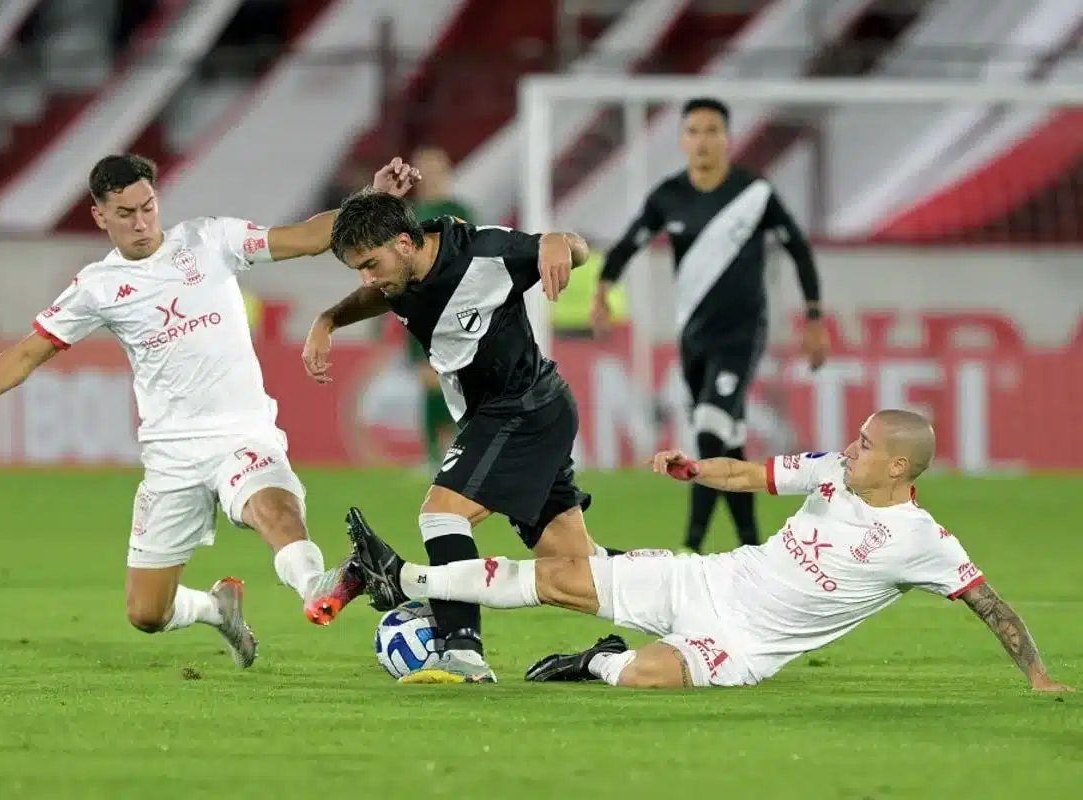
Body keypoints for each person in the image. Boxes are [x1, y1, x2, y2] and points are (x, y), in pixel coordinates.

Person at [0, 153, 421, 668]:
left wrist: (371, 201)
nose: (142, 222)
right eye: (126, 214)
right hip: (171, 454)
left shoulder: (210, 239)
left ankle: (319, 586)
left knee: (274, 510)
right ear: (100, 216)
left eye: (148, 207)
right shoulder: (98, 288)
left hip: (241, 431)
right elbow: (28, 353)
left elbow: (307, 236)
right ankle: (217, 609)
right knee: (147, 612)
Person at [345, 409, 1074, 693]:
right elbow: (752, 475)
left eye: (866, 446)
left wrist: (1037, 675)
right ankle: (398, 574)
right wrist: (695, 469)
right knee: (561, 576)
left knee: (642, 678)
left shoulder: (924, 543)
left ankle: (592, 660)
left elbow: (991, 605)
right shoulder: (827, 473)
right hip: (706, 579)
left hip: (746, 645)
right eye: (856, 439)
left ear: (898, 470)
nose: (850, 450)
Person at [302, 191, 624, 684]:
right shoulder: (398, 276)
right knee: (572, 564)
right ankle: (689, 594)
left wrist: (562, 241)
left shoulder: (487, 253)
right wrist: (329, 320)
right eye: (358, 270)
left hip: (524, 408)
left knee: (441, 513)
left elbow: (567, 250)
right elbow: (375, 294)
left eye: (371, 264)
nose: (369, 279)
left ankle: (463, 652)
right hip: (509, 415)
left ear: (406, 244)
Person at [593, 96, 830, 555]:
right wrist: (604, 289)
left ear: (726, 137)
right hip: (693, 336)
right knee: (728, 439)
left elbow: (799, 249)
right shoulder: (669, 196)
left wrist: (815, 318)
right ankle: (752, 545)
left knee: (708, 427)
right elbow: (627, 244)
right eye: (694, 131)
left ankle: (691, 546)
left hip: (742, 333)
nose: (702, 140)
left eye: (711, 131)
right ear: (683, 140)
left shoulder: (754, 193)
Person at [406, 146, 477, 475]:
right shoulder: (410, 213)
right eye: (424, 170)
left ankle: (460, 453)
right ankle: (433, 455)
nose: (429, 176)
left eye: (435, 169)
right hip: (420, 306)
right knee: (427, 379)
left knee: (454, 380)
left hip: (453, 306)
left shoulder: (458, 209)